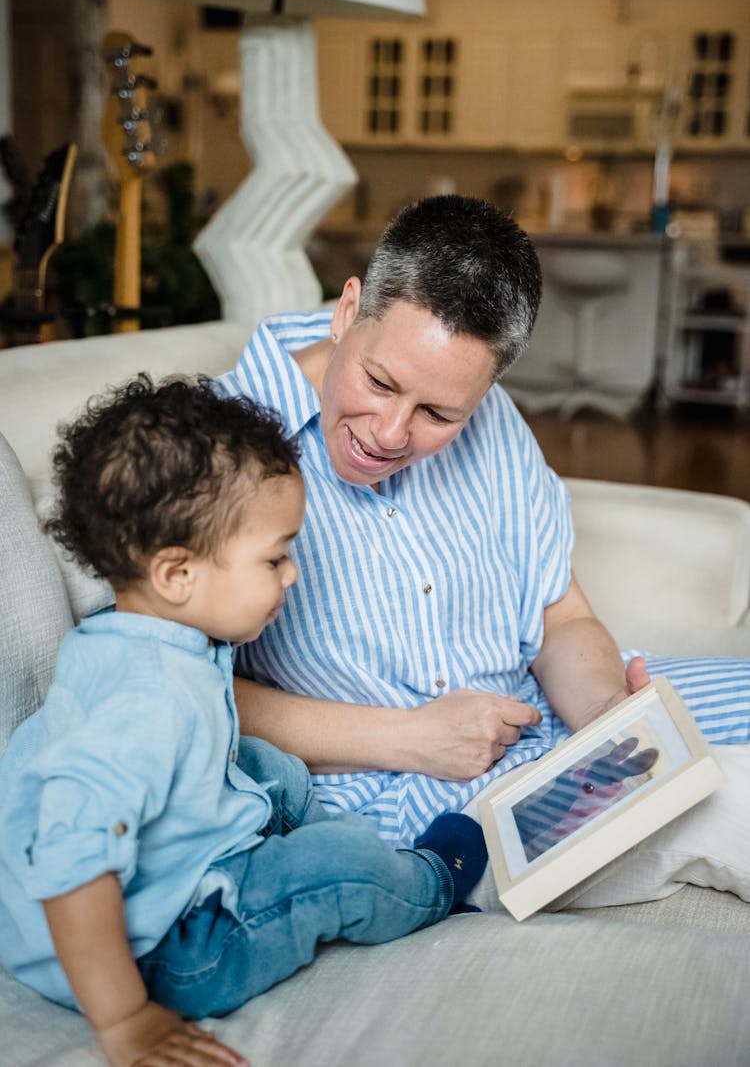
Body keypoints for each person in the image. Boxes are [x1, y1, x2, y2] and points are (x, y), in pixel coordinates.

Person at [217, 194, 750, 902]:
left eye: (438, 413)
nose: (390, 431)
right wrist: (411, 738)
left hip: (544, 718)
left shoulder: (491, 416)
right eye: (379, 383)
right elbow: (188, 687)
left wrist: (603, 718)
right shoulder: (215, 440)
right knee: (721, 805)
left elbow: (560, 617)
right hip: (405, 787)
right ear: (348, 310)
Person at [0, 375, 488, 1067]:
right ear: (177, 573)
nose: (291, 577)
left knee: (262, 763)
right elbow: (74, 867)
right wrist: (128, 1018)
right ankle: (428, 879)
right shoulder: (148, 704)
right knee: (333, 867)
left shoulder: (138, 639)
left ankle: (273, 822)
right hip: (167, 948)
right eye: (275, 557)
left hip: (128, 881)